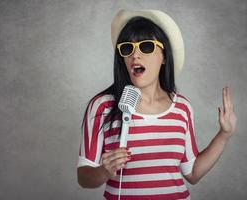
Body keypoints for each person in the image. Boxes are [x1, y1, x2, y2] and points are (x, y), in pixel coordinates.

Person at [77, 9, 237, 200]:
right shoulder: (102, 106)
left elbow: (192, 173)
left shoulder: (182, 107)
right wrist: (104, 171)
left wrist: (224, 134)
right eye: (128, 48)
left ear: (164, 57)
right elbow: (83, 177)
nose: (135, 55)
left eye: (146, 47)